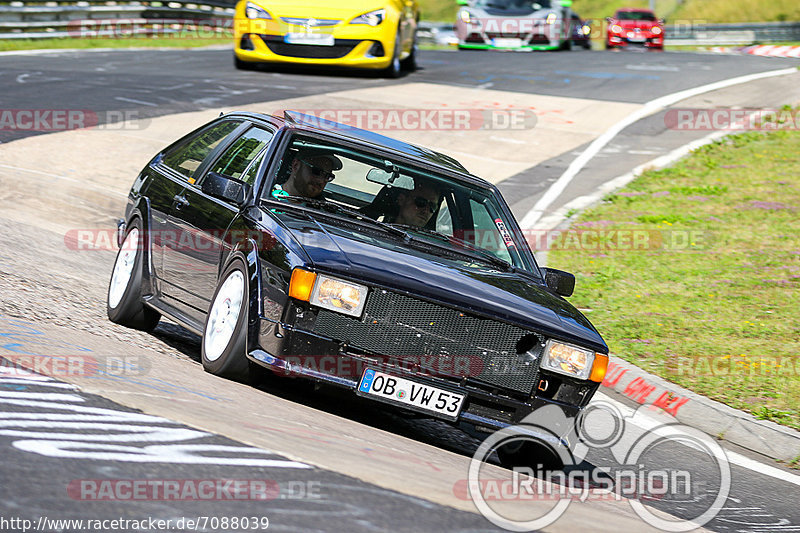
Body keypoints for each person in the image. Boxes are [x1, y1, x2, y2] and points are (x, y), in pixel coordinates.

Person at [276, 149, 343, 198]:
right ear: (295, 165)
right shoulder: (269, 195)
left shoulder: (325, 212)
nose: (321, 180)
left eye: (327, 176)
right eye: (316, 171)